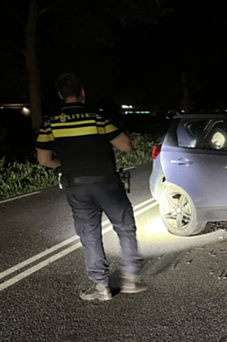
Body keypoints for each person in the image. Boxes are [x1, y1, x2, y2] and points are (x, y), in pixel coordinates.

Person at [36, 73, 146, 301]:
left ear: (60, 95)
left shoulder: (50, 123)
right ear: (82, 93)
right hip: (107, 183)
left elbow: (45, 160)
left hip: (76, 186)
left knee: (90, 235)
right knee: (125, 228)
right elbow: (125, 145)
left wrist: (65, 164)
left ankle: (100, 287)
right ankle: (130, 279)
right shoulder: (97, 118)